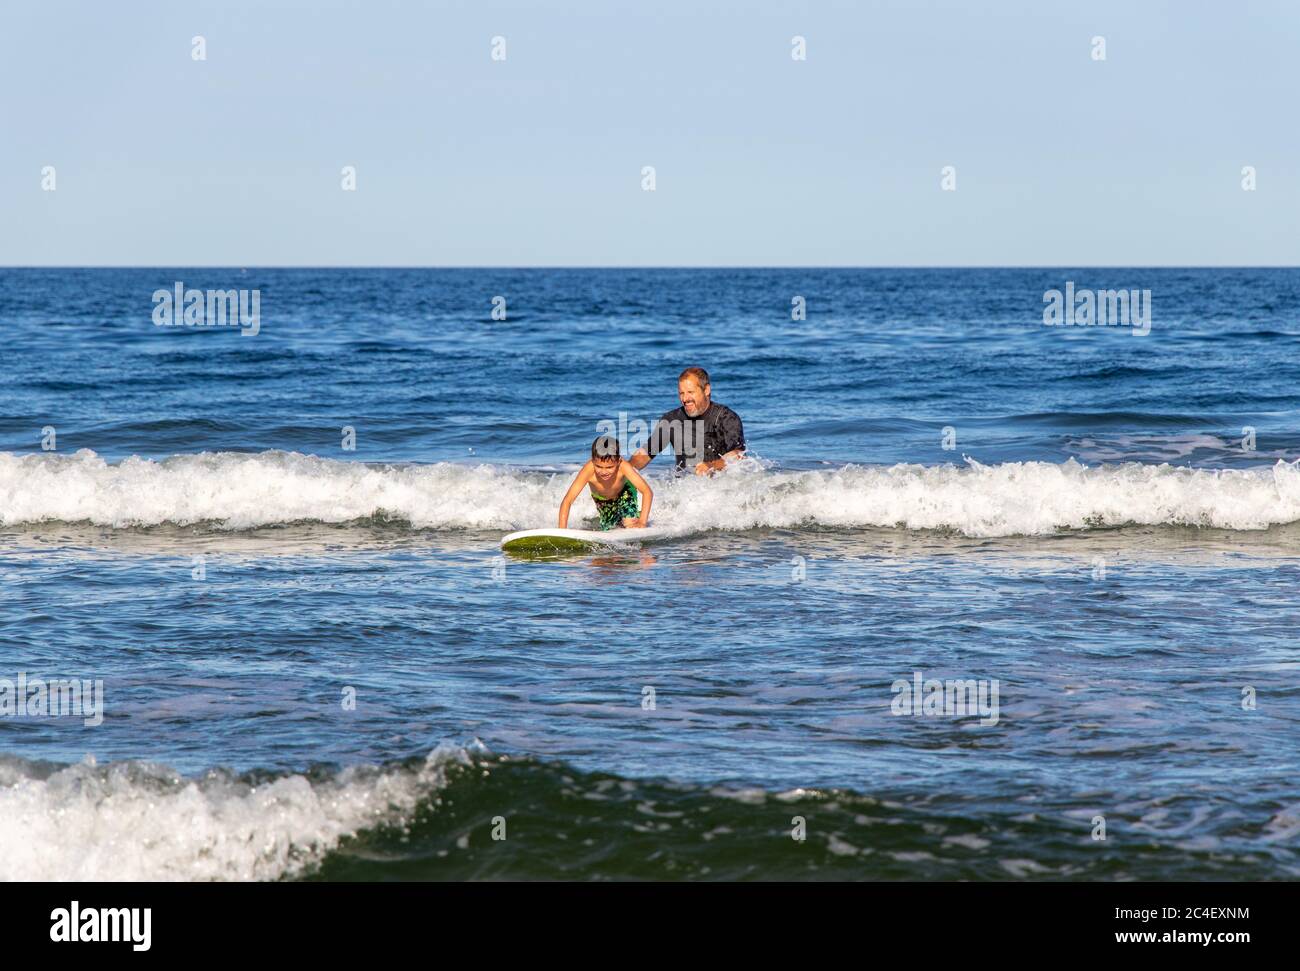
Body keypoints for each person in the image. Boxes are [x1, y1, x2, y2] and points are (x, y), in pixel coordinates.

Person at [630, 366, 745, 476]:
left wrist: (711, 466)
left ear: (706, 390)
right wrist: (622, 472)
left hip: (721, 487)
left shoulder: (726, 418)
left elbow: (738, 455)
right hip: (684, 488)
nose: (685, 399)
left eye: (690, 392)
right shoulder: (671, 420)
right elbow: (645, 454)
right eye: (681, 393)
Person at [558, 435, 653, 530]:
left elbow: (647, 492)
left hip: (625, 491)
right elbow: (567, 501)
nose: (604, 472)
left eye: (609, 467)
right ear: (592, 460)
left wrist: (642, 522)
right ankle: (632, 516)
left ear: (618, 461)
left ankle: (636, 518)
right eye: (598, 466)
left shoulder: (624, 466)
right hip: (602, 500)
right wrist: (562, 532)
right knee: (610, 529)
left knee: (629, 526)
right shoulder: (588, 470)